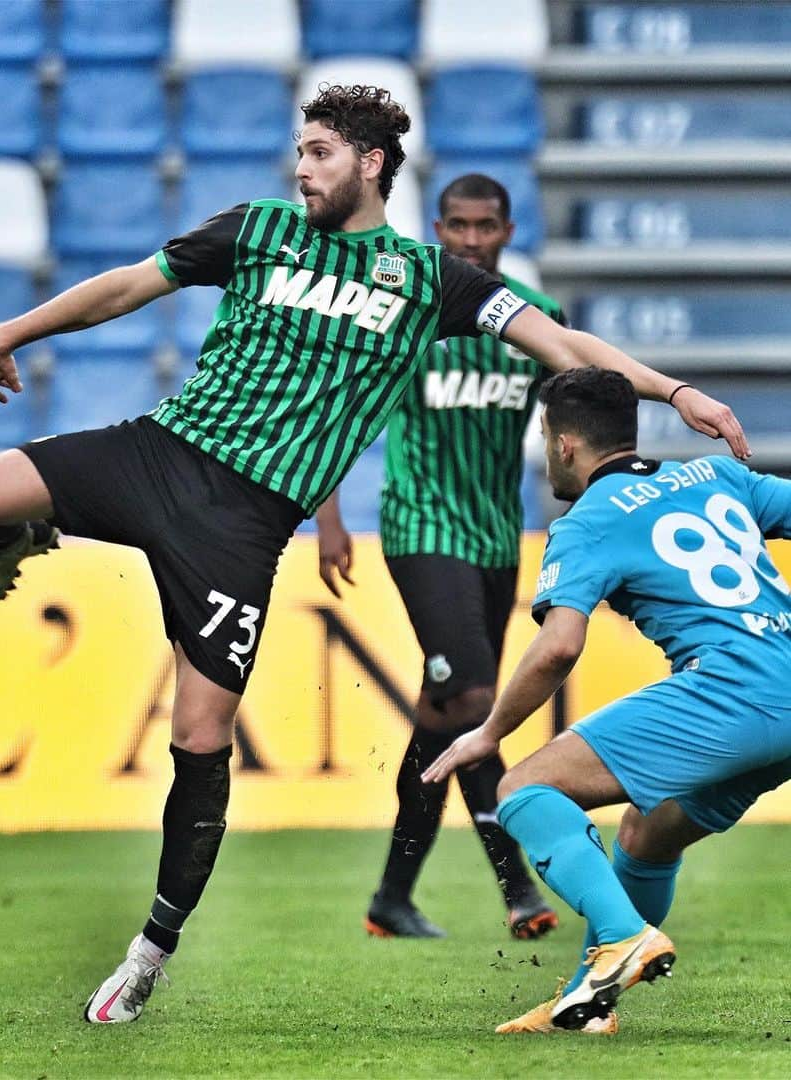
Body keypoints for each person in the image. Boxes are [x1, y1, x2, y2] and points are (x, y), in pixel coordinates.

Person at [0, 84, 748, 1025]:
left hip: (242, 530)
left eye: (318, 151)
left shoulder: (428, 281)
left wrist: (672, 389)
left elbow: (562, 345)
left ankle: (149, 952)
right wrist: (16, 329)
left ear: (370, 163)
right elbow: (130, 282)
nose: (301, 167)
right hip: (160, 453)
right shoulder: (254, 231)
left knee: (199, 740)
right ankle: (21, 536)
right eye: (300, 151)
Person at [425, 367, 790, 1035]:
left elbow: (558, 647)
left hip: (734, 690)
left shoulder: (586, 522)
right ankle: (585, 1004)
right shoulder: (718, 477)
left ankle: (624, 936)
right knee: (648, 835)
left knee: (525, 789)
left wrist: (490, 731)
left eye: (544, 436)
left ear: (565, 445)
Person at [317, 173, 563, 942]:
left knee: (439, 716)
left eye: (484, 227)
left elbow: (575, 424)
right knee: (475, 703)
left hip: (496, 536)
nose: (469, 241)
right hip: (421, 529)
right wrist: (325, 515)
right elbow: (335, 409)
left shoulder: (535, 323)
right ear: (437, 227)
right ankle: (519, 888)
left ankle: (392, 898)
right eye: (456, 227)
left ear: (508, 230)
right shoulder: (408, 314)